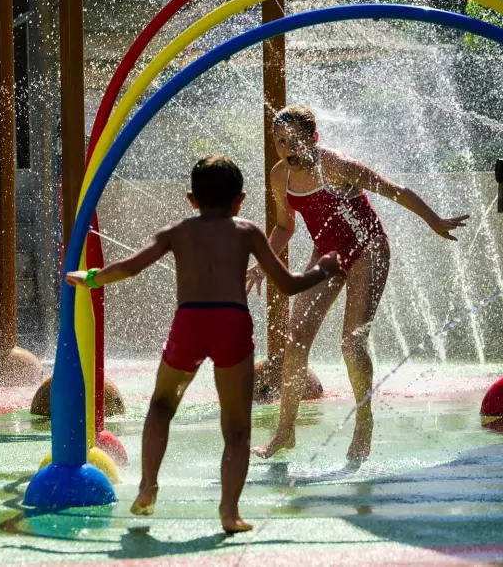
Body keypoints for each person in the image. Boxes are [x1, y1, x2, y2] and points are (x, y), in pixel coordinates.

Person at [66, 155, 343, 534]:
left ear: (191, 199)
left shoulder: (177, 231)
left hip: (191, 323)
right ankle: (229, 512)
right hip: (232, 324)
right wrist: (324, 269)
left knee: (161, 406)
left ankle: (148, 487)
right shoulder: (248, 232)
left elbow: (131, 267)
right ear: (240, 200)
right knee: (237, 429)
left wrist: (91, 278)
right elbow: (289, 284)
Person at [248, 105, 469, 461]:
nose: (288, 148)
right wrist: (262, 265)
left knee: (351, 345)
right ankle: (285, 433)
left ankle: (364, 423)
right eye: (280, 141)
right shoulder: (279, 176)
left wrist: (433, 220)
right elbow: (285, 227)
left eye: (295, 140)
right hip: (328, 254)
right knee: (296, 338)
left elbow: (395, 190)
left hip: (368, 249)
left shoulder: (337, 165)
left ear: (313, 138)